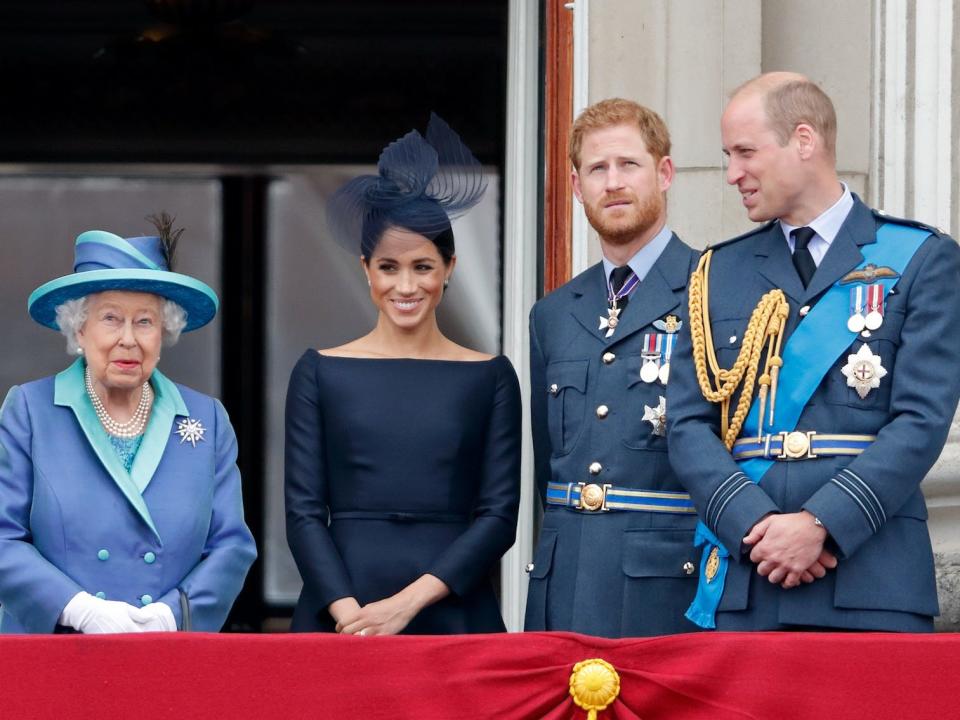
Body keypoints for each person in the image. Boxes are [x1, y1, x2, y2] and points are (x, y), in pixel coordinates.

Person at [668, 72, 960, 631]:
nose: (733, 174)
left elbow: (921, 421)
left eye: (745, 152)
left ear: (804, 141)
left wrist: (822, 523)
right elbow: (686, 425)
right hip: (748, 575)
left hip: (872, 578)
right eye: (728, 155)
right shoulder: (716, 273)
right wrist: (754, 526)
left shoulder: (921, 257)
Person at [285, 114, 521, 635]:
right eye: (389, 267)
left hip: (452, 610)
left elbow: (499, 517)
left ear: (450, 267)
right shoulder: (319, 372)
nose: (405, 285)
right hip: (341, 613)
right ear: (365, 268)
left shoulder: (491, 377)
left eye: (422, 266)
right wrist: (353, 617)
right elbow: (302, 515)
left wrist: (406, 605)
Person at [0, 216, 257, 634]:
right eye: (110, 318)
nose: (128, 339)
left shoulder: (206, 418)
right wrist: (78, 609)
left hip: (164, 654)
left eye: (145, 321)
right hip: (55, 655)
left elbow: (231, 546)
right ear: (78, 329)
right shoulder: (30, 410)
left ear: (163, 332)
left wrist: (174, 614)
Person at [523, 98, 702, 638]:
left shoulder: (711, 291)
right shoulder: (553, 313)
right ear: (577, 187)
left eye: (629, 164)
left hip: (667, 588)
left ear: (664, 173)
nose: (613, 182)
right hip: (564, 583)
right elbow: (547, 465)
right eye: (597, 169)